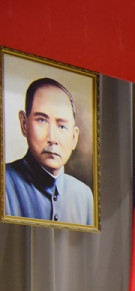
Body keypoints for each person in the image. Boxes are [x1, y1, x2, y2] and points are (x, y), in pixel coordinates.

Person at [5, 77, 93, 225]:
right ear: (24, 123)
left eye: (62, 126)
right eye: (42, 120)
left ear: (74, 137)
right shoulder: (5, 182)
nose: (52, 138)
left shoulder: (83, 195)